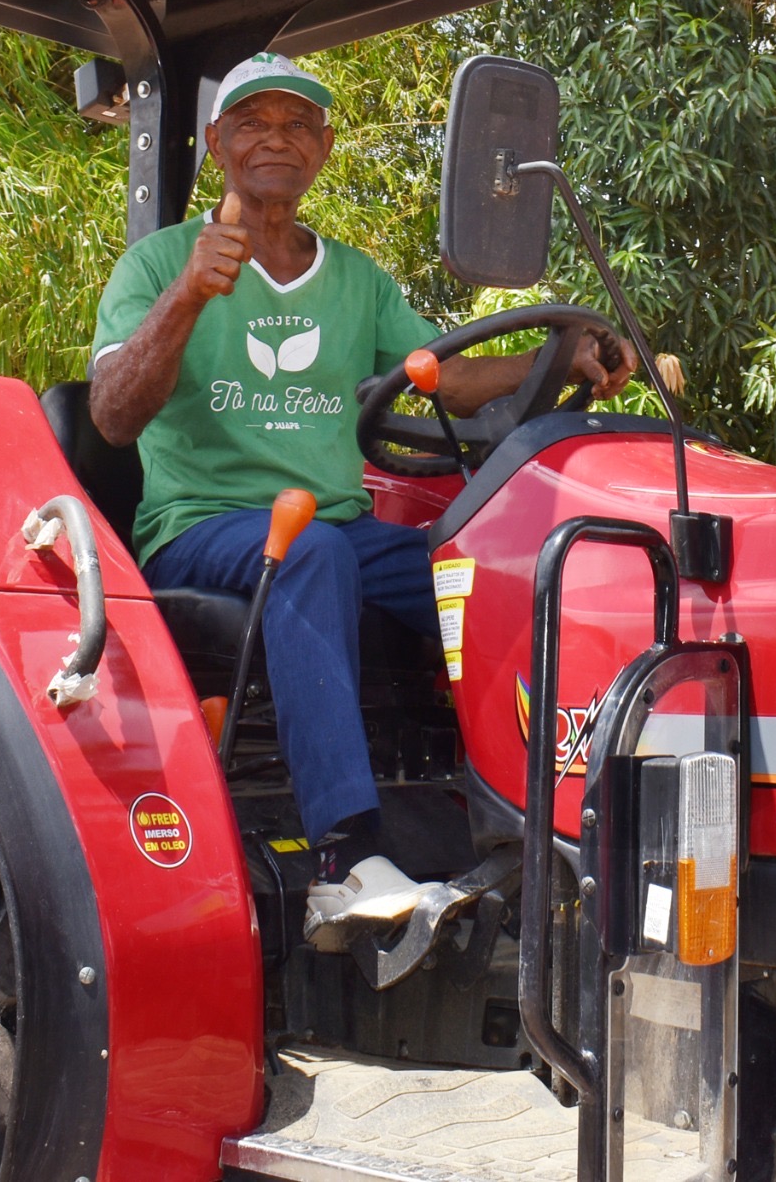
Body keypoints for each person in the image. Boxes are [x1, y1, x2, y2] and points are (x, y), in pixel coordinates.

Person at [90, 51, 634, 943]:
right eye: (255, 122)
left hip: (332, 530)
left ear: (325, 149)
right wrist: (190, 294)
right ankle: (344, 860)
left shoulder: (355, 280)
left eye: (298, 123)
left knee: (492, 573)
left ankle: (531, 815)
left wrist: (560, 356)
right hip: (200, 530)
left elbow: (449, 379)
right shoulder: (157, 265)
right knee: (316, 552)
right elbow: (112, 416)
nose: (278, 138)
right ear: (219, 143)